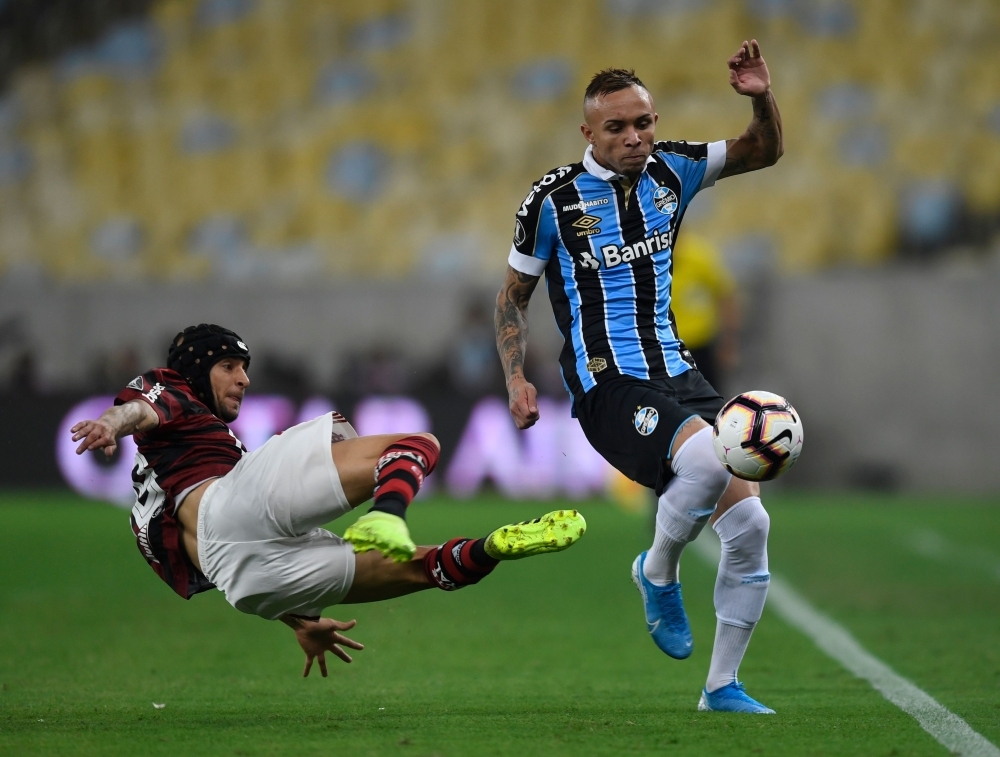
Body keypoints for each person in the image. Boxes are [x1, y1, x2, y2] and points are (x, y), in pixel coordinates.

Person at [494, 41, 782, 713]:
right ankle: (657, 572)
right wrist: (515, 377)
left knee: (752, 528)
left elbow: (762, 151)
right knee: (710, 462)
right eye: (618, 127)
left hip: (680, 373)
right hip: (607, 384)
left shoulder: (674, 170)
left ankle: (722, 687)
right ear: (587, 133)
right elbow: (512, 296)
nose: (635, 137)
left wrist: (760, 96)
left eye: (644, 122)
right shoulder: (552, 201)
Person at [71, 324, 586, 677]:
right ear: (196, 368)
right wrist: (108, 422)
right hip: (233, 508)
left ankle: (493, 547)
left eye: (245, 367)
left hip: (245, 585)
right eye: (230, 365)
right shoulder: (171, 389)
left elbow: (217, 551)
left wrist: (301, 620)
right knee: (415, 445)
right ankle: (387, 515)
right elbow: (138, 410)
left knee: (422, 570)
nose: (244, 379)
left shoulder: (164, 473)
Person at [670, 233, 741, 392]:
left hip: (703, 346)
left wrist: (728, 342)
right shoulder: (645, 267)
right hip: (666, 351)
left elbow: (726, 297)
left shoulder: (700, 258)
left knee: (712, 397)